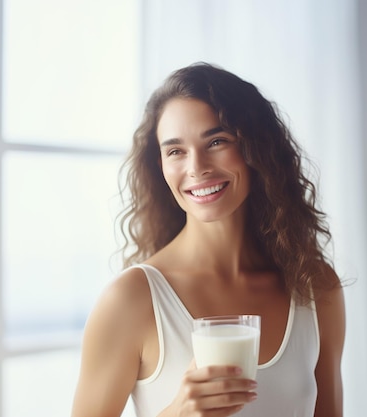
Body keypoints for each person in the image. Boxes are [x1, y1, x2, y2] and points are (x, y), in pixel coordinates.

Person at [71, 62, 345, 417]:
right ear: (161, 166)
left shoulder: (315, 287)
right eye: (176, 151)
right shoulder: (130, 300)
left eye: (216, 141)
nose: (196, 167)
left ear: (256, 149)